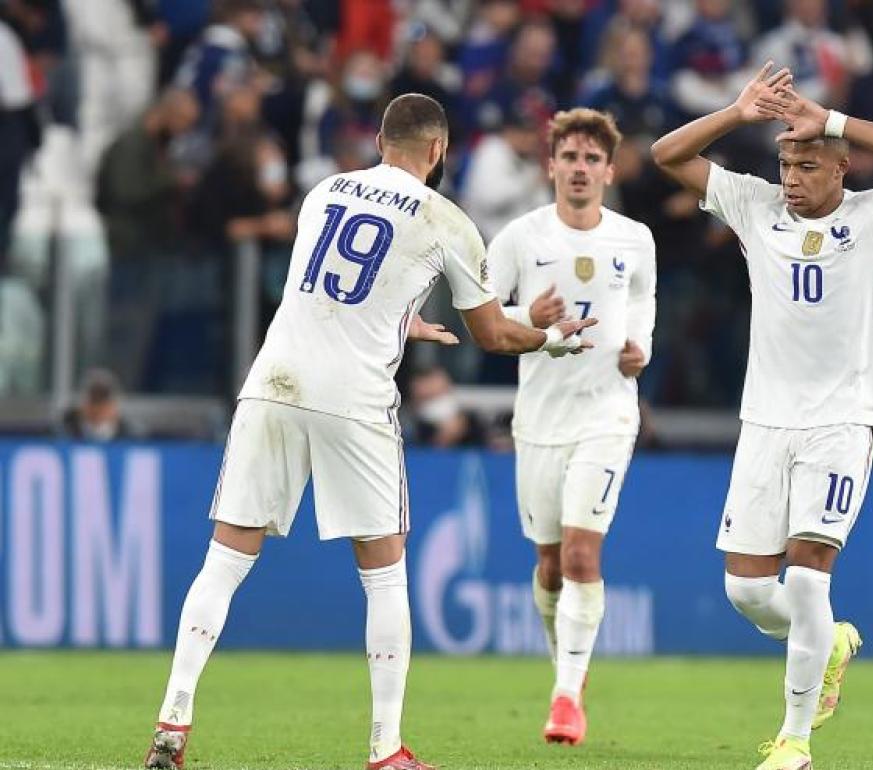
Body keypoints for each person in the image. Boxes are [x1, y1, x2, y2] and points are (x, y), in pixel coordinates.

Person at [142, 93, 597, 770]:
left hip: (275, 381)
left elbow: (334, 287)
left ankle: (173, 721)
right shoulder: (445, 219)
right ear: (438, 150)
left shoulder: (324, 192)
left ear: (381, 141)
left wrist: (401, 320)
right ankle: (386, 748)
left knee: (226, 559)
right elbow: (495, 333)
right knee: (383, 573)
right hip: (353, 398)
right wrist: (554, 339)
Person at [651, 62, 873, 770]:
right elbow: (666, 155)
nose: (792, 177)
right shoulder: (756, 208)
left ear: (843, 168)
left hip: (843, 419)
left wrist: (832, 119)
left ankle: (795, 740)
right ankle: (829, 639)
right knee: (748, 591)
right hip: (765, 420)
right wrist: (736, 112)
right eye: (785, 164)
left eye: (808, 165)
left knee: (809, 575)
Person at [487, 107, 656, 746]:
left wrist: (640, 347)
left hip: (607, 413)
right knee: (552, 565)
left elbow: (643, 299)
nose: (580, 168)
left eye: (591, 159)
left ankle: (565, 697)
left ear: (609, 171)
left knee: (584, 553)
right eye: (569, 157)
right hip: (539, 420)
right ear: (550, 166)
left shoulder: (634, 239)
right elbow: (482, 317)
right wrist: (526, 317)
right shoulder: (520, 238)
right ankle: (568, 666)